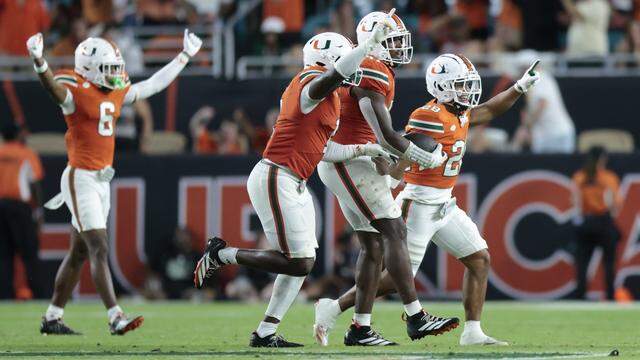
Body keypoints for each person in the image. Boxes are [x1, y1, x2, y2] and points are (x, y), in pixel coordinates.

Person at [194, 14, 431, 347]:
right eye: (349, 55)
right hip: (276, 174)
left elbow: (326, 148)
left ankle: (265, 332)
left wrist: (367, 147)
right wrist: (365, 46)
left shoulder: (332, 98)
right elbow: (336, 74)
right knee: (298, 261)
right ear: (333, 59)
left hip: (295, 179)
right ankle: (222, 254)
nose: (358, 63)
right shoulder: (309, 82)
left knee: (302, 262)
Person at [315, 53, 541, 346]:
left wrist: (520, 87)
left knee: (479, 259)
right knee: (397, 278)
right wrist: (391, 178)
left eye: (467, 84)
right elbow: (404, 152)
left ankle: (472, 331)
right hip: (418, 204)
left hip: (445, 203)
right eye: (460, 85)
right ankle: (334, 307)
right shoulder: (429, 116)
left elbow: (487, 111)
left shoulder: (460, 111)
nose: (467, 91)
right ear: (442, 86)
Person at [26, 28, 202, 335]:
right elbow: (54, 89)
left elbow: (152, 85)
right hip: (80, 178)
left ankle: (52, 317)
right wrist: (40, 61)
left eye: (115, 68)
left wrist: (184, 56)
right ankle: (115, 316)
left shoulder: (116, 90)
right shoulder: (77, 91)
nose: (115, 74)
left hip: (101, 180)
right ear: (89, 69)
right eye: (107, 69)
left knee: (79, 251)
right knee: (99, 247)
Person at [315, 11, 455, 347]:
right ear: (371, 43)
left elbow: (381, 137)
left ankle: (360, 328)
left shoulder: (375, 69)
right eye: (391, 40)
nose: (398, 46)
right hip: (348, 160)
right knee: (395, 230)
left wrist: (390, 156)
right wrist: (424, 157)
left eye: (399, 39)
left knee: (374, 243)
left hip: (355, 158)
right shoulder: (372, 69)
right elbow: (385, 133)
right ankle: (417, 317)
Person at [0, 123, 44, 299]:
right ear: (18, 135)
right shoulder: (26, 153)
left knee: (3, 255)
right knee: (29, 253)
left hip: (0, 206)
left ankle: (4, 296)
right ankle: (39, 294)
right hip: (19, 208)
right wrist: (39, 210)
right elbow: (34, 183)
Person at [572, 147, 621, 300]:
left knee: (582, 262)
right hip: (604, 222)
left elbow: (575, 201)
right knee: (609, 263)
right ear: (602, 159)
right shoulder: (608, 177)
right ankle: (610, 295)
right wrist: (611, 214)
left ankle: (580, 295)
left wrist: (581, 218)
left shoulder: (580, 177)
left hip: (586, 221)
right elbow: (615, 202)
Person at [513, 52, 575, 154]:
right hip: (546, 134)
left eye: (522, 69)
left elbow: (542, 104)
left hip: (558, 134)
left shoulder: (540, 77)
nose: (520, 73)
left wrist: (527, 125)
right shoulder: (531, 83)